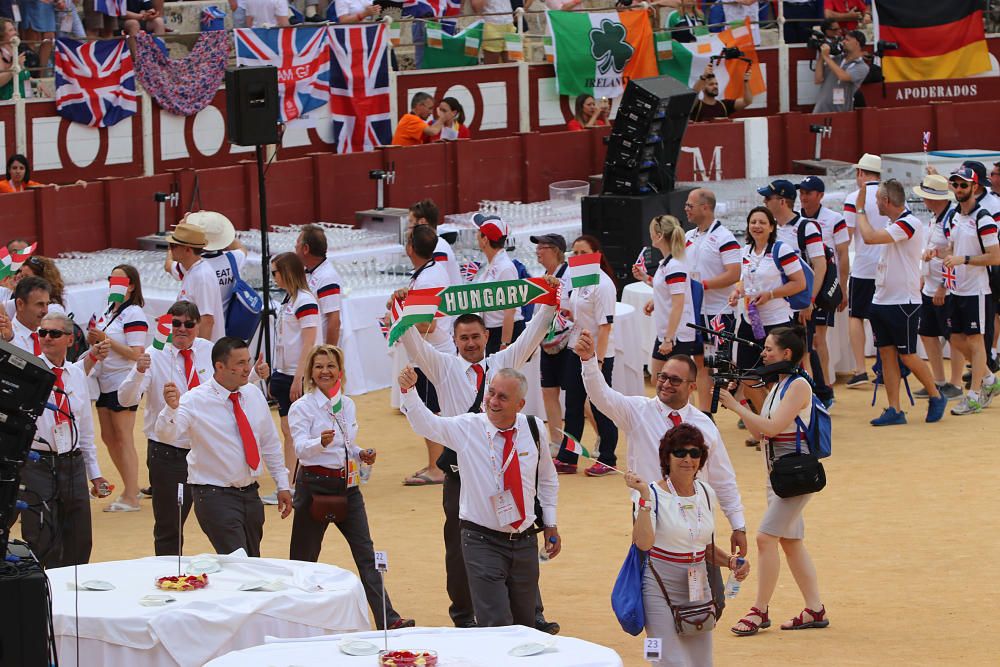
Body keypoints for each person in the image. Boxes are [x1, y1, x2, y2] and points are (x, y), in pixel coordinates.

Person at [400, 279, 558, 631]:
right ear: (454, 341)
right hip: (462, 472)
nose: (470, 343)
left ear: (486, 337)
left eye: (475, 337)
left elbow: (531, 336)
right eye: (463, 338)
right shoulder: (442, 366)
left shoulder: (502, 363)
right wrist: (403, 309)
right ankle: (463, 615)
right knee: (459, 547)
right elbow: (412, 342)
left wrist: (549, 301)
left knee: (522, 535)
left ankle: (533, 613)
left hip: (507, 468)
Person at [576, 329, 747, 556]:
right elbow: (602, 395)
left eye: (675, 380)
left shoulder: (704, 425)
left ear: (691, 387)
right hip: (651, 514)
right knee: (653, 584)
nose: (666, 384)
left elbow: (723, 479)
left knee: (701, 585)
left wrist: (738, 525)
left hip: (696, 514)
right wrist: (588, 361)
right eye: (663, 377)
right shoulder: (637, 411)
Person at [287, 345, 415, 630]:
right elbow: (300, 451)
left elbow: (345, 444)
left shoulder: (347, 404)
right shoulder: (302, 408)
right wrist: (317, 442)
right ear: (310, 372)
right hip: (314, 488)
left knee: (366, 554)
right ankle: (292, 619)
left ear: (340, 371)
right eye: (319, 366)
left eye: (331, 366)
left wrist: (359, 454)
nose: (325, 371)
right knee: (303, 559)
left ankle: (388, 619)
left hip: (347, 487)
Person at [719, 326, 826, 636]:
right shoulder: (778, 387)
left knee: (766, 539)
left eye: (768, 349)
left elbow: (776, 427)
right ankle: (815, 609)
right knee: (791, 543)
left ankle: (759, 611)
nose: (763, 354)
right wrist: (748, 399)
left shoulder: (797, 386)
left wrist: (737, 405)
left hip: (794, 476)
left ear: (786, 354)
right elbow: (760, 432)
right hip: (778, 475)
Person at [625, 425, 750, 666]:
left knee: (701, 661)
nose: (688, 459)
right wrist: (643, 499)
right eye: (680, 452)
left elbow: (703, 547)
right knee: (662, 657)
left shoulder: (705, 492)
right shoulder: (649, 494)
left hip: (697, 585)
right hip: (658, 585)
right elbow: (643, 543)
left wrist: (731, 562)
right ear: (667, 457)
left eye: (695, 453)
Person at [156, 337, 292, 557]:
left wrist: (282, 484)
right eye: (240, 363)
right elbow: (166, 434)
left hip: (250, 494)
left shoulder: (253, 394)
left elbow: (269, 443)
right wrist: (170, 410)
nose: (248, 369)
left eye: (247, 361)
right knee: (239, 562)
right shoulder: (194, 400)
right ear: (219, 366)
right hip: (214, 495)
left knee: (252, 560)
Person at [119, 302, 231, 555]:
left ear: (198, 326)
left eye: (188, 324)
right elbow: (125, 400)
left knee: (222, 519)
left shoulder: (209, 351)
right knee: (170, 525)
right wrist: (138, 371)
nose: (182, 329)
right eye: (176, 323)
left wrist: (255, 375)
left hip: (206, 450)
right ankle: (169, 576)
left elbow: (228, 384)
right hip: (169, 453)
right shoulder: (154, 354)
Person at [16, 312, 110, 568]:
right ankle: (44, 597)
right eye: (42, 332)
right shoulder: (29, 372)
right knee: (41, 536)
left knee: (79, 537)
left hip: (72, 463)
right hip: (37, 465)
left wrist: (95, 474)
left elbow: (86, 430)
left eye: (54, 333)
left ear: (69, 340)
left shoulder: (77, 374)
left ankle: (72, 597)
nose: (47, 338)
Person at [852, 179, 947, 425]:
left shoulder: (908, 223)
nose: (875, 204)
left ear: (886, 201)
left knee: (907, 355)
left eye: (877, 200)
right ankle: (895, 408)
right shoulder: (896, 223)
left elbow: (870, 238)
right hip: (883, 298)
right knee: (886, 355)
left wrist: (859, 209)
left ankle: (936, 395)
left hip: (903, 301)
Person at [758, 179, 831, 403]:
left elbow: (820, 264)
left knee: (804, 352)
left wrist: (810, 300)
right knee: (793, 351)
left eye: (768, 198)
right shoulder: (773, 230)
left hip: (800, 300)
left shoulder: (805, 227)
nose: (764, 201)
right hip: (782, 302)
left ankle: (817, 396)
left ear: (782, 201)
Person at [728, 206, 805, 417]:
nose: (757, 226)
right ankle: (765, 424)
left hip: (776, 323)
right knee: (748, 376)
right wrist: (737, 291)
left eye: (762, 222)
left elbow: (799, 283)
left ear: (771, 227)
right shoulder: (745, 251)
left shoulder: (782, 250)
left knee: (776, 379)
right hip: (749, 321)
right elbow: (745, 280)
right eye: (753, 222)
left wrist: (770, 294)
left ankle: (780, 423)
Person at [394, 224, 456, 487]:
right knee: (432, 408)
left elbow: (426, 324)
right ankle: (436, 463)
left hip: (432, 352)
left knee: (431, 410)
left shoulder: (428, 277)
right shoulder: (430, 272)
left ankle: (437, 467)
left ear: (411, 248)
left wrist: (399, 319)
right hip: (434, 350)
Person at [553, 234, 619, 477]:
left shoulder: (603, 284)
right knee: (572, 406)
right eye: (575, 253)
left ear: (596, 255)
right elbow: (579, 315)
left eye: (583, 253)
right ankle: (568, 457)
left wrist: (598, 362)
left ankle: (608, 458)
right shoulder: (580, 281)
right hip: (576, 348)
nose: (578, 257)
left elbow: (605, 327)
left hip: (597, 353)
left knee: (600, 405)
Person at [88, 265, 148, 512]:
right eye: (111, 279)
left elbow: (136, 354)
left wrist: (105, 339)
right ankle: (129, 487)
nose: (114, 284)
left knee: (123, 437)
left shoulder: (133, 313)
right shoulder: (108, 310)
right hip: (105, 379)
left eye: (120, 280)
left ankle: (132, 494)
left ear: (131, 285)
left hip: (123, 380)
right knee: (109, 437)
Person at [942, 167, 1000, 415]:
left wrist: (963, 260)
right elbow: (952, 248)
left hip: (977, 290)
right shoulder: (955, 215)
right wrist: (937, 254)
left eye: (963, 185)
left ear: (975, 187)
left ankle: (975, 395)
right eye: (955, 185)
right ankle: (988, 378)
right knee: (955, 339)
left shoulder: (984, 218)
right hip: (958, 288)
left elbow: (995, 257)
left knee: (976, 343)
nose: (958, 189)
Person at [267, 252, 319, 502]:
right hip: (286, 372)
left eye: (275, 272)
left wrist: (299, 377)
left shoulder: (304, 300)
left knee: (295, 429)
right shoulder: (291, 299)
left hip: (296, 375)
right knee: (289, 430)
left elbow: (309, 341)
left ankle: (291, 483)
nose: (273, 277)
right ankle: (290, 482)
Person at [684, 188, 742, 410]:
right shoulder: (689, 237)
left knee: (724, 369)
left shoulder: (724, 237)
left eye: (690, 205)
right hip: (697, 314)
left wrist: (702, 286)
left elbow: (734, 273)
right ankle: (705, 415)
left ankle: (749, 405)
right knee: (702, 364)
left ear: (705, 207)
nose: (686, 209)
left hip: (719, 313)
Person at [798, 175, 850, 400]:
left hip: (824, 284)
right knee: (805, 341)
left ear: (820, 196)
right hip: (801, 284)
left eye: (808, 193)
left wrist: (843, 288)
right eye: (801, 192)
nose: (803, 197)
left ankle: (825, 384)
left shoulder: (834, 219)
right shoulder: (795, 220)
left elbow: (843, 254)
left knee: (819, 339)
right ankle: (816, 386)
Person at [912, 174, 964, 400]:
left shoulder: (951, 219)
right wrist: (925, 277)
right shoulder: (936, 218)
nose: (923, 201)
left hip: (946, 288)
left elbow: (954, 251)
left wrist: (944, 285)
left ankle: (956, 382)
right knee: (927, 333)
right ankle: (939, 380)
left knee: (954, 336)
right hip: (930, 286)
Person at [634, 215, 701, 382]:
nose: (649, 235)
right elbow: (666, 290)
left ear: (659, 235)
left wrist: (669, 339)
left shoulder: (674, 266)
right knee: (659, 382)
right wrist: (645, 279)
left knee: (676, 386)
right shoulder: (667, 263)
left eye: (651, 231)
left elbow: (678, 304)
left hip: (676, 335)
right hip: (667, 333)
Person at [843, 153, 887, 387]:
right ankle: (884, 367)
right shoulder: (891, 194)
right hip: (887, 265)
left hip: (863, 265)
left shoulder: (854, 197)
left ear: (861, 173)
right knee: (883, 317)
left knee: (857, 316)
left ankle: (861, 368)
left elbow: (847, 235)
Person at [171, 211, 248, 318]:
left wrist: (180, 231)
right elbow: (242, 250)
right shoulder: (233, 259)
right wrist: (224, 235)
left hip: (201, 324)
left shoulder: (190, 263)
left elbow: (168, 265)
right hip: (227, 323)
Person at [532, 233, 571, 446]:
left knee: (577, 397)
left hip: (566, 342)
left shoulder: (569, 274)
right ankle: (556, 440)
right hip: (548, 343)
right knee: (548, 391)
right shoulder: (544, 276)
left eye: (542, 246)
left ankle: (601, 436)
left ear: (555, 250)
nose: (538, 251)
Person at [473, 215, 524, 355]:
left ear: (484, 239)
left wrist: (505, 343)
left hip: (504, 332)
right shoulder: (494, 264)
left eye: (479, 232)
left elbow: (510, 309)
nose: (475, 235)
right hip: (494, 330)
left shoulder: (505, 267)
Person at [166, 222, 224, 341]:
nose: (170, 250)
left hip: (200, 351)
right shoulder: (191, 269)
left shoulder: (202, 277)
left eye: (173, 246)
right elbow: (168, 266)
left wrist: (200, 354)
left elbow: (207, 320)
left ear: (187, 249)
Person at [295, 224, 343, 346]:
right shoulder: (309, 272)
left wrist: (328, 354)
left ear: (305, 248)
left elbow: (334, 320)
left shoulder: (327, 277)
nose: (295, 247)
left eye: (297, 243)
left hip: (318, 350)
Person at [812, 29, 868, 113]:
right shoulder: (836, 59)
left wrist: (827, 57)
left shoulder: (862, 67)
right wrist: (821, 56)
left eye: (847, 40)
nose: (844, 42)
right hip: (820, 110)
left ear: (857, 43)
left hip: (840, 113)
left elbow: (843, 76)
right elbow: (818, 79)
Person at [408, 199, 462, 286]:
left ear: (422, 222)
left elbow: (435, 284)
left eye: (411, 221)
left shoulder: (438, 248)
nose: (408, 226)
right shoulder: (437, 244)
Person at [471, 0, 515, 64]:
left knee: (514, 62)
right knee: (492, 65)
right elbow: (476, 7)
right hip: (492, 25)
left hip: (510, 23)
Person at [0, 19, 30, 101]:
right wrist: (15, 66)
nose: (15, 33)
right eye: (11, 30)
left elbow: (22, 75)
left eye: (14, 29)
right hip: (6, 102)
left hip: (24, 99)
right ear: (2, 34)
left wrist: (37, 82)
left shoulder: (15, 50)